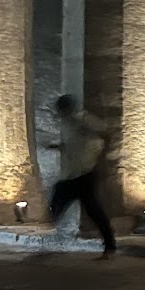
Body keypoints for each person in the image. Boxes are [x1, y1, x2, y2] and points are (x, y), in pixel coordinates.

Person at [49, 95, 117, 257]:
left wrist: (102, 156)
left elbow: (103, 131)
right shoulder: (68, 123)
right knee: (92, 209)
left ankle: (110, 244)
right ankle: (109, 244)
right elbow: (75, 143)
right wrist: (61, 147)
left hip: (83, 173)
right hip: (75, 173)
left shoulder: (82, 120)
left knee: (90, 209)